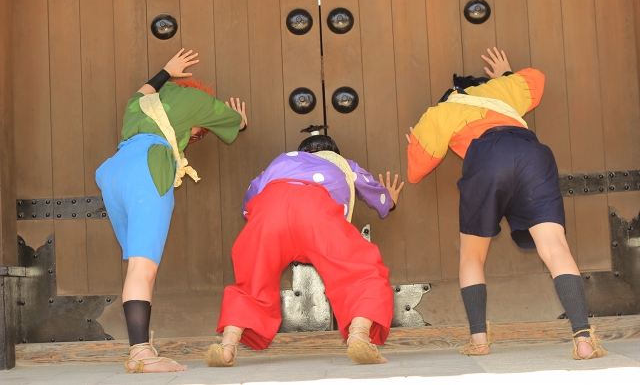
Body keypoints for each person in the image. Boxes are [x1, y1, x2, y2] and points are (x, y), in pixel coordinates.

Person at [406, 48, 606, 360]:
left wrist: (416, 143)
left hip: (487, 158)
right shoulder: (501, 90)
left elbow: (416, 171)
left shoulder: (440, 112)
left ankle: (479, 340)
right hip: (533, 155)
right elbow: (536, 81)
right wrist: (505, 76)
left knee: (472, 255)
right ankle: (583, 338)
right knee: (555, 247)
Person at [96, 49, 248, 373]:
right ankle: (141, 353)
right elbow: (234, 122)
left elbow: (144, 89)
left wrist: (166, 70)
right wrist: (242, 120)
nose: (193, 139)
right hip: (148, 168)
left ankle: (141, 348)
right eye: (197, 136)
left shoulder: (139, 104)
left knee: (136, 265)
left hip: (113, 172)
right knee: (142, 268)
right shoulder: (198, 102)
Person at [206, 126, 404, 367]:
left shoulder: (277, 164)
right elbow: (370, 189)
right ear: (334, 152)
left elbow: (249, 203)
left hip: (269, 212)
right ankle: (359, 335)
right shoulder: (342, 164)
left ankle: (227, 347)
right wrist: (388, 201)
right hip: (316, 213)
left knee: (252, 281)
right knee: (363, 270)